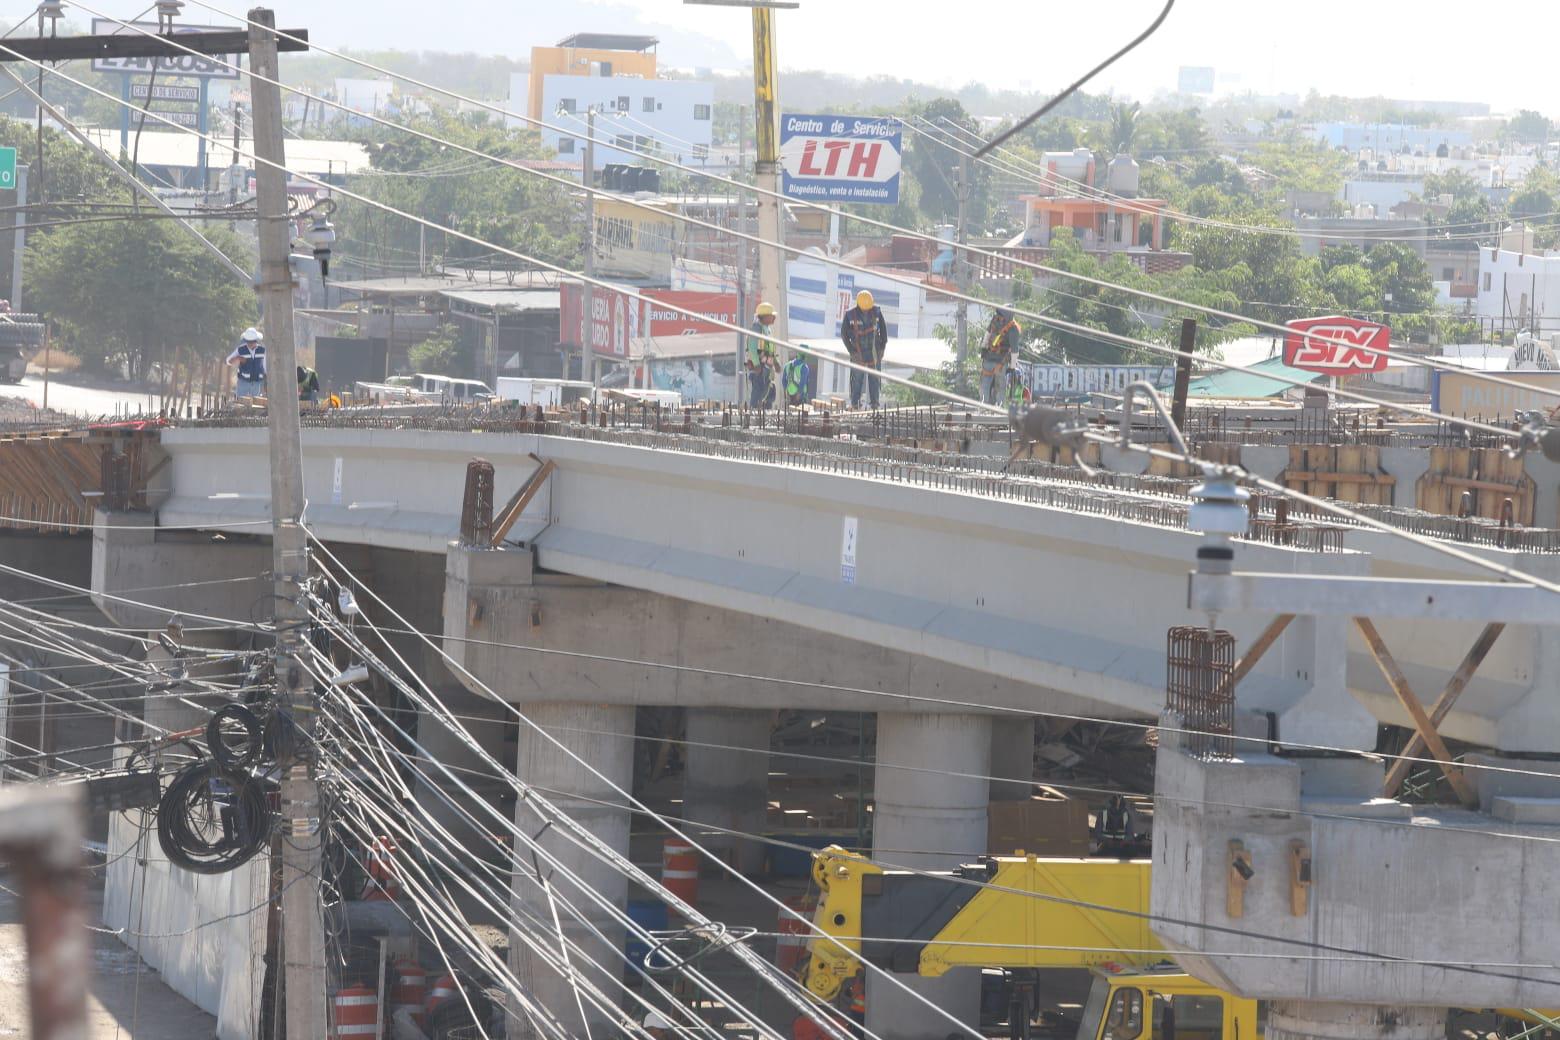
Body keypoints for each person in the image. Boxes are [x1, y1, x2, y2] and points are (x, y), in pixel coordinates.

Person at [840, 290, 887, 410]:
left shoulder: (876, 312)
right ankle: (855, 403)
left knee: (874, 379)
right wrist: (852, 351)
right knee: (857, 380)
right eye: (864, 309)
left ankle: (875, 404)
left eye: (868, 308)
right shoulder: (850, 315)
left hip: (874, 353)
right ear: (859, 305)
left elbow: (884, 332)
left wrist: (882, 348)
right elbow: (844, 335)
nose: (866, 310)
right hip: (858, 353)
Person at [979, 307, 1021, 405]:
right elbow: (1015, 350)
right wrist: (1013, 366)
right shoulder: (1013, 328)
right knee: (1000, 385)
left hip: (988, 357)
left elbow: (987, 335)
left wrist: (983, 349)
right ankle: (999, 407)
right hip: (1001, 362)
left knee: (985, 383)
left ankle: (983, 405)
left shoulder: (995, 320)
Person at [745, 302, 780, 408]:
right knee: (757, 395)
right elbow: (752, 348)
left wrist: (776, 363)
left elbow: (770, 350)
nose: (774, 317)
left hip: (767, 370)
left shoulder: (768, 330)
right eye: (771, 315)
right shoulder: (757, 328)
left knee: (769, 395)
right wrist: (756, 364)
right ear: (764, 317)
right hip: (759, 370)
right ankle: (753, 416)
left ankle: (766, 418)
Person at [227, 327, 266, 399]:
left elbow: (265, 365)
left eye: (252, 341)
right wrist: (238, 358)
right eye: (248, 341)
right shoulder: (240, 350)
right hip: (243, 382)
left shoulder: (262, 350)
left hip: (257, 382)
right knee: (240, 402)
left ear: (256, 340)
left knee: (256, 404)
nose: (250, 343)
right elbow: (228, 361)